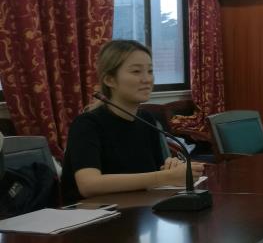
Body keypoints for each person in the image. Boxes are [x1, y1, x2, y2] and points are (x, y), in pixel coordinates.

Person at [61, 40, 204, 203]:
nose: (147, 79)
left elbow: (156, 173)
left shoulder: (147, 120)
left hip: (140, 209)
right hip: (93, 214)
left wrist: (171, 167)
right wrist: (164, 177)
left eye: (150, 71)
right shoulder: (87, 124)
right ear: (109, 80)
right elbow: (89, 185)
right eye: (136, 71)